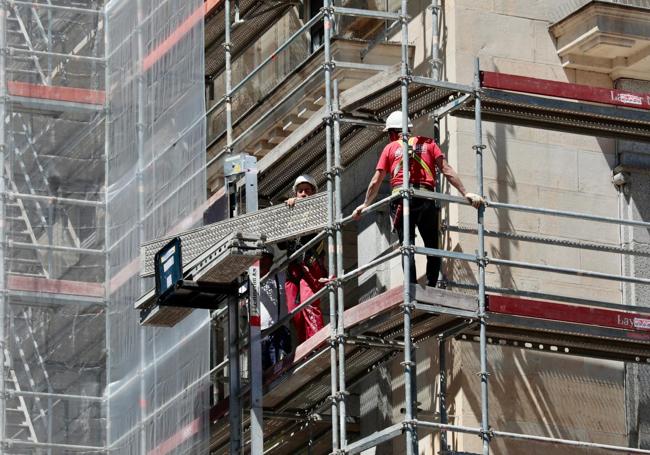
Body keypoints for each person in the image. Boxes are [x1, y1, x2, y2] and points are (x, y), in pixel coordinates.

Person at [352, 111, 484, 287]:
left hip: (401, 200)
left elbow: (376, 181)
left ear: (392, 133)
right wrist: (466, 193)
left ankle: (412, 287)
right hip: (426, 198)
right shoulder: (429, 144)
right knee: (432, 246)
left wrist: (365, 204)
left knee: (407, 246)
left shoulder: (390, 148)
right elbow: (447, 170)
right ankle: (430, 286)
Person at [280, 175, 326, 343]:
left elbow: (317, 229)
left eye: (307, 191)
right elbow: (281, 245)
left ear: (314, 193)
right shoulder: (292, 215)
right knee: (293, 311)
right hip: (293, 268)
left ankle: (317, 343)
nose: (304, 194)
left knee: (310, 303)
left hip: (311, 267)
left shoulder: (319, 210)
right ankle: (305, 345)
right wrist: (288, 215)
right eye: (300, 191)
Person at [259, 252, 292, 371]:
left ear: (270, 261)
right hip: (258, 333)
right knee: (262, 372)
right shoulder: (248, 282)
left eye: (265, 259)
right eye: (260, 259)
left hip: (279, 330)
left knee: (279, 369)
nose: (261, 263)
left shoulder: (280, 276)